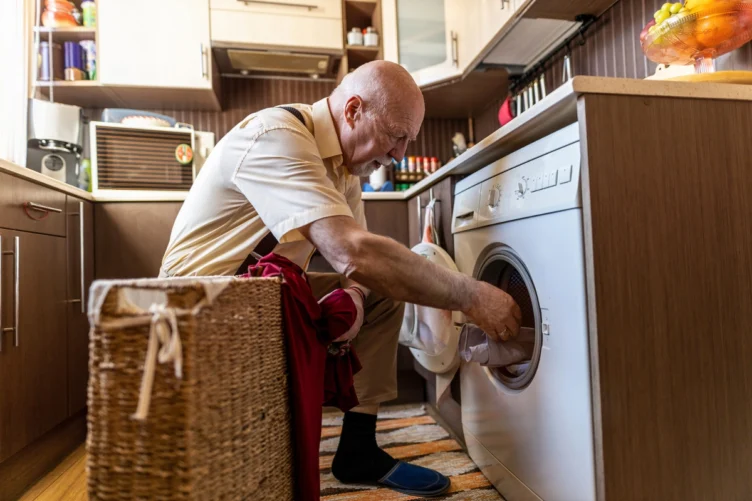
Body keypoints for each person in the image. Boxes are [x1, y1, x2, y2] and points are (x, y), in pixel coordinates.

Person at [160, 60, 522, 497]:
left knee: (382, 298)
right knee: (375, 280)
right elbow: (352, 251)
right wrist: (470, 294)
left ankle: (358, 451)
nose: (400, 155)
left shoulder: (343, 170)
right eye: (396, 135)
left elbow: (363, 265)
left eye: (407, 140)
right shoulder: (276, 137)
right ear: (353, 111)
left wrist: (353, 295)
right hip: (201, 299)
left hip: (264, 288)